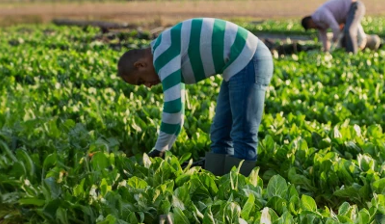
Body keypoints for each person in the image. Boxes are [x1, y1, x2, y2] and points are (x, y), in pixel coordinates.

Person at [117, 18, 274, 177]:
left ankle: (242, 187)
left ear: (140, 65)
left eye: (142, 81)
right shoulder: (164, 49)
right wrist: (163, 149)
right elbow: (179, 114)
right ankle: (219, 181)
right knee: (220, 132)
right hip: (237, 65)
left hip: (250, 59)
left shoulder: (162, 53)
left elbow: (174, 110)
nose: (148, 86)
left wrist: (159, 150)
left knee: (243, 132)